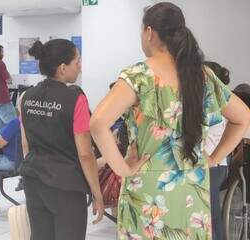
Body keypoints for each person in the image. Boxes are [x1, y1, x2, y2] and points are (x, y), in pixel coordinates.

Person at [90, 2, 250, 239]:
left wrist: (122, 169)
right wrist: (215, 158)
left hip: (149, 190)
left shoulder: (139, 76)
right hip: (193, 188)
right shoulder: (203, 76)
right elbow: (243, 117)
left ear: (149, 32)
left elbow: (97, 124)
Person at [19, 39, 104, 240]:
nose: (80, 67)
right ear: (63, 67)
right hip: (66, 186)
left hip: (33, 180)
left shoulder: (26, 97)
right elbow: (85, 154)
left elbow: (25, 144)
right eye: (78, 62)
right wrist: (97, 194)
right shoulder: (76, 100)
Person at [203, 61, 230, 240]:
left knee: (210, 216)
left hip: (212, 165)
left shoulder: (213, 105)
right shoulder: (221, 102)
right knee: (212, 215)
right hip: (217, 164)